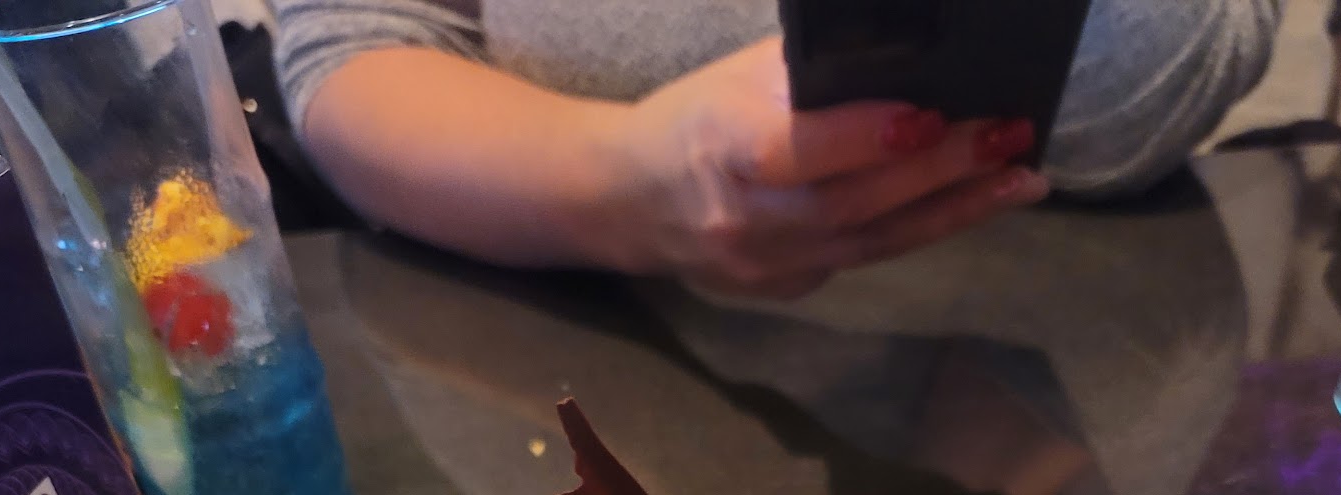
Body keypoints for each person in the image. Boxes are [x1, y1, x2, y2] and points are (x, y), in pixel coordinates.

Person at [273, 0, 1284, 298]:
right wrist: (624, 183)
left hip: (1113, 349)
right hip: (579, 353)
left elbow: (1186, 49)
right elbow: (353, 42)